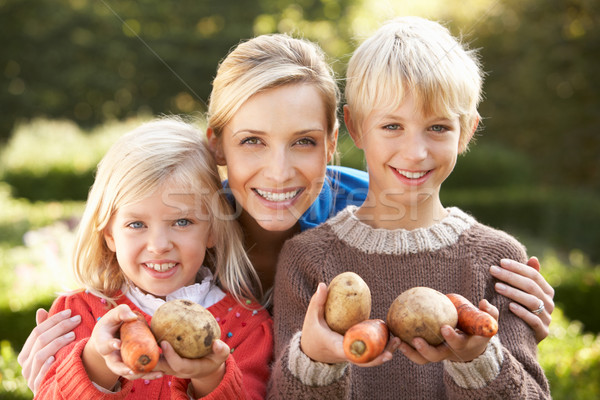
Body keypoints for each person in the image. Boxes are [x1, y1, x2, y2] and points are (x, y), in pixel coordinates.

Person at [19, 33, 554, 395]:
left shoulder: (368, 215)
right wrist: (64, 360)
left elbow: (445, 253)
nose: (278, 173)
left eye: (303, 141)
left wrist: (501, 309)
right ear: (218, 145)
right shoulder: (181, 225)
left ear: (333, 142)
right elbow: (107, 290)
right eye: (252, 141)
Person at [268, 17, 551, 398]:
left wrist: (478, 360)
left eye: (438, 128)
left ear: (466, 131)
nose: (415, 153)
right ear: (355, 127)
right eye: (392, 126)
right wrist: (314, 361)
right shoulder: (306, 259)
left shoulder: (497, 260)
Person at [35, 117, 273, 399]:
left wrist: (210, 376)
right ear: (109, 234)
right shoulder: (78, 314)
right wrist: (98, 362)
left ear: (213, 230)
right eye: (136, 224)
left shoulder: (246, 325)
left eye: (182, 222)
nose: (159, 245)